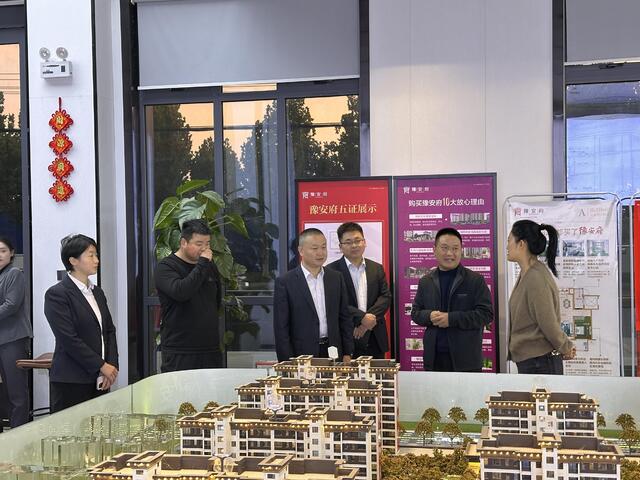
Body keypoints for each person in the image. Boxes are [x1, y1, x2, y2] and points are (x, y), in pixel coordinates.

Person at [44, 234, 119, 413]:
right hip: (71, 379)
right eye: (91, 255)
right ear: (73, 261)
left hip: (100, 378)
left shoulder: (97, 292)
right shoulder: (57, 294)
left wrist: (111, 366)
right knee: (70, 428)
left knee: (97, 427)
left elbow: (109, 331)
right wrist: (102, 365)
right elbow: (68, 339)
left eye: (96, 255)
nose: (97, 260)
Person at [411, 227, 493, 372]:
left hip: (466, 361)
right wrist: (429, 316)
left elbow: (486, 314)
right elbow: (416, 313)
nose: (450, 253)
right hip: (434, 359)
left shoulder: (475, 280)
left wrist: (451, 319)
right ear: (434, 250)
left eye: (455, 248)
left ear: (461, 250)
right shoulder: (426, 281)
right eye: (444, 248)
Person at [274, 228, 354, 362]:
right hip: (301, 355)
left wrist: (347, 352)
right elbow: (281, 327)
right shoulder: (286, 282)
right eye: (314, 248)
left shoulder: (336, 278)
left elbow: (344, 317)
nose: (320, 253)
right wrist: (287, 361)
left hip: (333, 351)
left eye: (323, 247)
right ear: (301, 251)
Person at [507, 220, 575, 374]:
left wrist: (565, 347)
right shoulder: (528, 273)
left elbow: (548, 322)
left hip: (540, 362)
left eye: (509, 240)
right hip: (533, 361)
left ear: (521, 244)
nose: (507, 246)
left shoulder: (535, 277)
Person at [155, 219, 222, 372]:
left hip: (210, 349)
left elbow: (216, 300)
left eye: (207, 244)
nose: (204, 249)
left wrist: (204, 264)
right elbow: (181, 292)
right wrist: (202, 263)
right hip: (179, 350)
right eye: (199, 244)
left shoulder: (209, 266)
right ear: (183, 242)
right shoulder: (166, 267)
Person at [327, 222, 391, 359]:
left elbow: (385, 297)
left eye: (358, 240)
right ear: (340, 246)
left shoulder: (376, 268)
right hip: (348, 335)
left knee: (377, 372)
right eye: (348, 242)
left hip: (375, 336)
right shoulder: (331, 271)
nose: (354, 245)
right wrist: (362, 318)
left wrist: (366, 323)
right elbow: (335, 302)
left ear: (364, 242)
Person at [0, 236, 32, 427]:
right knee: (4, 392)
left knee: (16, 392)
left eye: (3, 250)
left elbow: (11, 305)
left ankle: (19, 434)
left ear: (11, 253)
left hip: (13, 340)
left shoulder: (14, 273)